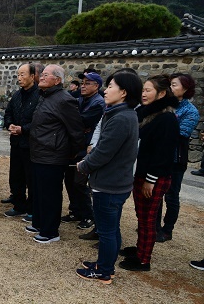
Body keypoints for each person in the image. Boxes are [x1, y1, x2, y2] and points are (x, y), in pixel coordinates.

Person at [74, 71, 142, 284]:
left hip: (110, 184)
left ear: (123, 92)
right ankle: (105, 265)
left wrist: (84, 165)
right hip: (114, 182)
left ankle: (103, 270)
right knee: (110, 229)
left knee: (107, 231)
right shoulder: (121, 113)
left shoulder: (121, 118)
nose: (106, 90)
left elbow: (104, 152)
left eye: (111, 86)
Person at [119, 75, 179, 271]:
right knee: (141, 215)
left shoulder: (167, 118)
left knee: (148, 218)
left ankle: (143, 259)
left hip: (153, 177)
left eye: (149, 90)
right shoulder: (147, 113)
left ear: (161, 94)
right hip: (142, 173)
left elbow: (163, 153)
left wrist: (150, 180)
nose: (144, 94)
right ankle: (139, 249)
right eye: (143, 90)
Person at [27, 64, 84, 243]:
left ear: (57, 80)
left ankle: (51, 231)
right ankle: (39, 222)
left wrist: (75, 153)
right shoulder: (45, 96)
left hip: (53, 154)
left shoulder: (64, 100)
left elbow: (76, 130)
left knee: (50, 193)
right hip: (38, 151)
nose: (41, 77)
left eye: (46, 75)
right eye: (41, 74)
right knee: (37, 191)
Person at [155, 73, 200, 242]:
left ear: (186, 88)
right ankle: (154, 226)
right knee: (155, 193)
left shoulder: (190, 111)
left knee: (171, 195)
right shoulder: (163, 105)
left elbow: (181, 134)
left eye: (174, 85)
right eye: (170, 85)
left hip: (175, 158)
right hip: (158, 156)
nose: (171, 88)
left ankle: (167, 229)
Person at [62, 72, 105, 230]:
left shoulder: (99, 103)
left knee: (80, 183)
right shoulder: (79, 99)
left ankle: (88, 215)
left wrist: (75, 122)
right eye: (83, 82)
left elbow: (80, 121)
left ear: (97, 86)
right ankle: (75, 211)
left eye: (88, 83)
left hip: (86, 148)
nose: (83, 86)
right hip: (74, 146)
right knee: (69, 180)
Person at [1, 63, 40, 220]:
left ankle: (32, 209)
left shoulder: (39, 95)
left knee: (31, 178)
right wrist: (9, 124)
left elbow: (40, 121)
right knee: (15, 176)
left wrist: (23, 129)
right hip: (15, 143)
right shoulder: (17, 95)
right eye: (18, 75)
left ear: (32, 76)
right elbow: (8, 113)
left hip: (31, 144)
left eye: (23, 74)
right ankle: (19, 205)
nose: (20, 78)